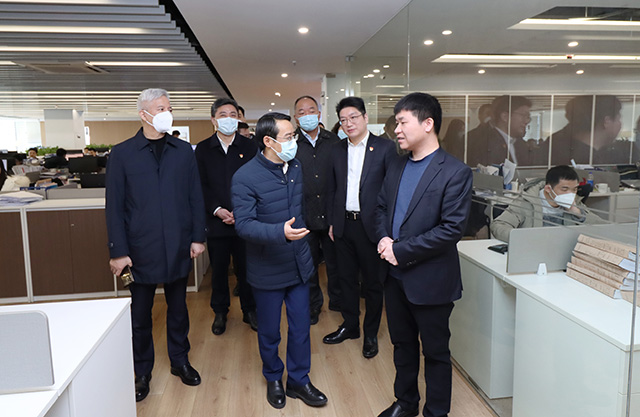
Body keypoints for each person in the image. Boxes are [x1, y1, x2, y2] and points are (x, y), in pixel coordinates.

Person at [105, 88, 206, 402]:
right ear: (143, 114)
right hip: (139, 249)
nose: (167, 112)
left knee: (178, 309)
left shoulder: (183, 151)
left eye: (169, 107)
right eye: (161, 108)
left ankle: (180, 360)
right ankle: (142, 371)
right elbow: (114, 207)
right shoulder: (122, 153)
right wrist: (118, 252)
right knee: (140, 315)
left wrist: (198, 237)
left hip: (178, 244)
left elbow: (195, 196)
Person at [376, 92, 473, 417]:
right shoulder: (396, 165)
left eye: (402, 122)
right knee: (402, 345)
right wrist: (384, 238)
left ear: (428, 123)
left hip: (431, 280)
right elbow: (381, 208)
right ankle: (406, 403)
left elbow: (450, 230)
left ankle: (436, 412)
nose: (397, 130)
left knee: (435, 352)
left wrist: (399, 250)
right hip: (394, 277)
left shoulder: (455, 172)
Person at [231, 112, 328, 410]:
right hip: (267, 267)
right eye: (288, 137)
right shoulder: (245, 177)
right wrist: (279, 232)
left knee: (300, 328)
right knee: (270, 331)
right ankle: (273, 377)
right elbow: (243, 225)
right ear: (268, 141)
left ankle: (298, 380)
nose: (293, 142)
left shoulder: (295, 166)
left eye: (293, 136)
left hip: (299, 263)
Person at [324, 96, 397, 359]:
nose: (348, 123)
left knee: (373, 283)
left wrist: (386, 229)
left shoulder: (386, 148)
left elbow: (391, 191)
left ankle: (370, 333)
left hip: (372, 227)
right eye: (343, 120)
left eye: (353, 117)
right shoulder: (336, 149)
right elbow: (332, 188)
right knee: (345, 279)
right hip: (344, 224)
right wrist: (332, 221)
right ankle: (350, 325)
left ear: (365, 117)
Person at [194, 97, 258, 335]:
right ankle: (220, 312)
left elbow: (256, 182)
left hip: (245, 220)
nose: (229, 119)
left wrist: (241, 211)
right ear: (213, 120)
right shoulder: (203, 149)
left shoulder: (250, 147)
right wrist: (217, 209)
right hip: (216, 221)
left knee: (246, 269)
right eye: (223, 115)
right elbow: (199, 185)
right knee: (219, 271)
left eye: (233, 115)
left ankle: (250, 310)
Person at [293, 95, 341, 323]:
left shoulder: (334, 141)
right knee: (309, 265)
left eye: (311, 110)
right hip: (304, 215)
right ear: (296, 117)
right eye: (301, 112)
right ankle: (313, 305)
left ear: (319, 114)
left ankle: (338, 299)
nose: (307, 115)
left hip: (330, 213)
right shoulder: (291, 143)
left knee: (335, 263)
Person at [490, 165, 605, 242]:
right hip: (533, 255)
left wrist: (579, 214)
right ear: (548, 189)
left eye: (574, 189)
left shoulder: (575, 204)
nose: (570, 194)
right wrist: (523, 239)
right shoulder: (527, 202)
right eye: (564, 189)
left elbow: (603, 228)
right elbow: (498, 225)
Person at [467, 95, 545, 167]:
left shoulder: (521, 145)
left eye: (528, 117)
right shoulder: (483, 145)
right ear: (505, 117)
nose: (527, 121)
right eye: (523, 115)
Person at [550, 95, 623, 165]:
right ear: (607, 121)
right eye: (618, 119)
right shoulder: (586, 160)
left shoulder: (554, 146)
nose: (620, 124)